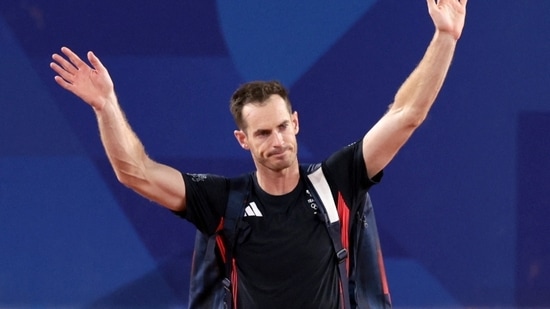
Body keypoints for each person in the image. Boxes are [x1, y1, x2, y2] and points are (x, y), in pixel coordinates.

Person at [50, 0, 467, 308]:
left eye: (284, 127)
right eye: (263, 132)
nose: (278, 140)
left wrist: (445, 37)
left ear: (296, 123)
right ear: (242, 140)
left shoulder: (336, 181)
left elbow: (406, 115)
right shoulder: (222, 201)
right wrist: (106, 106)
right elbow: (135, 172)